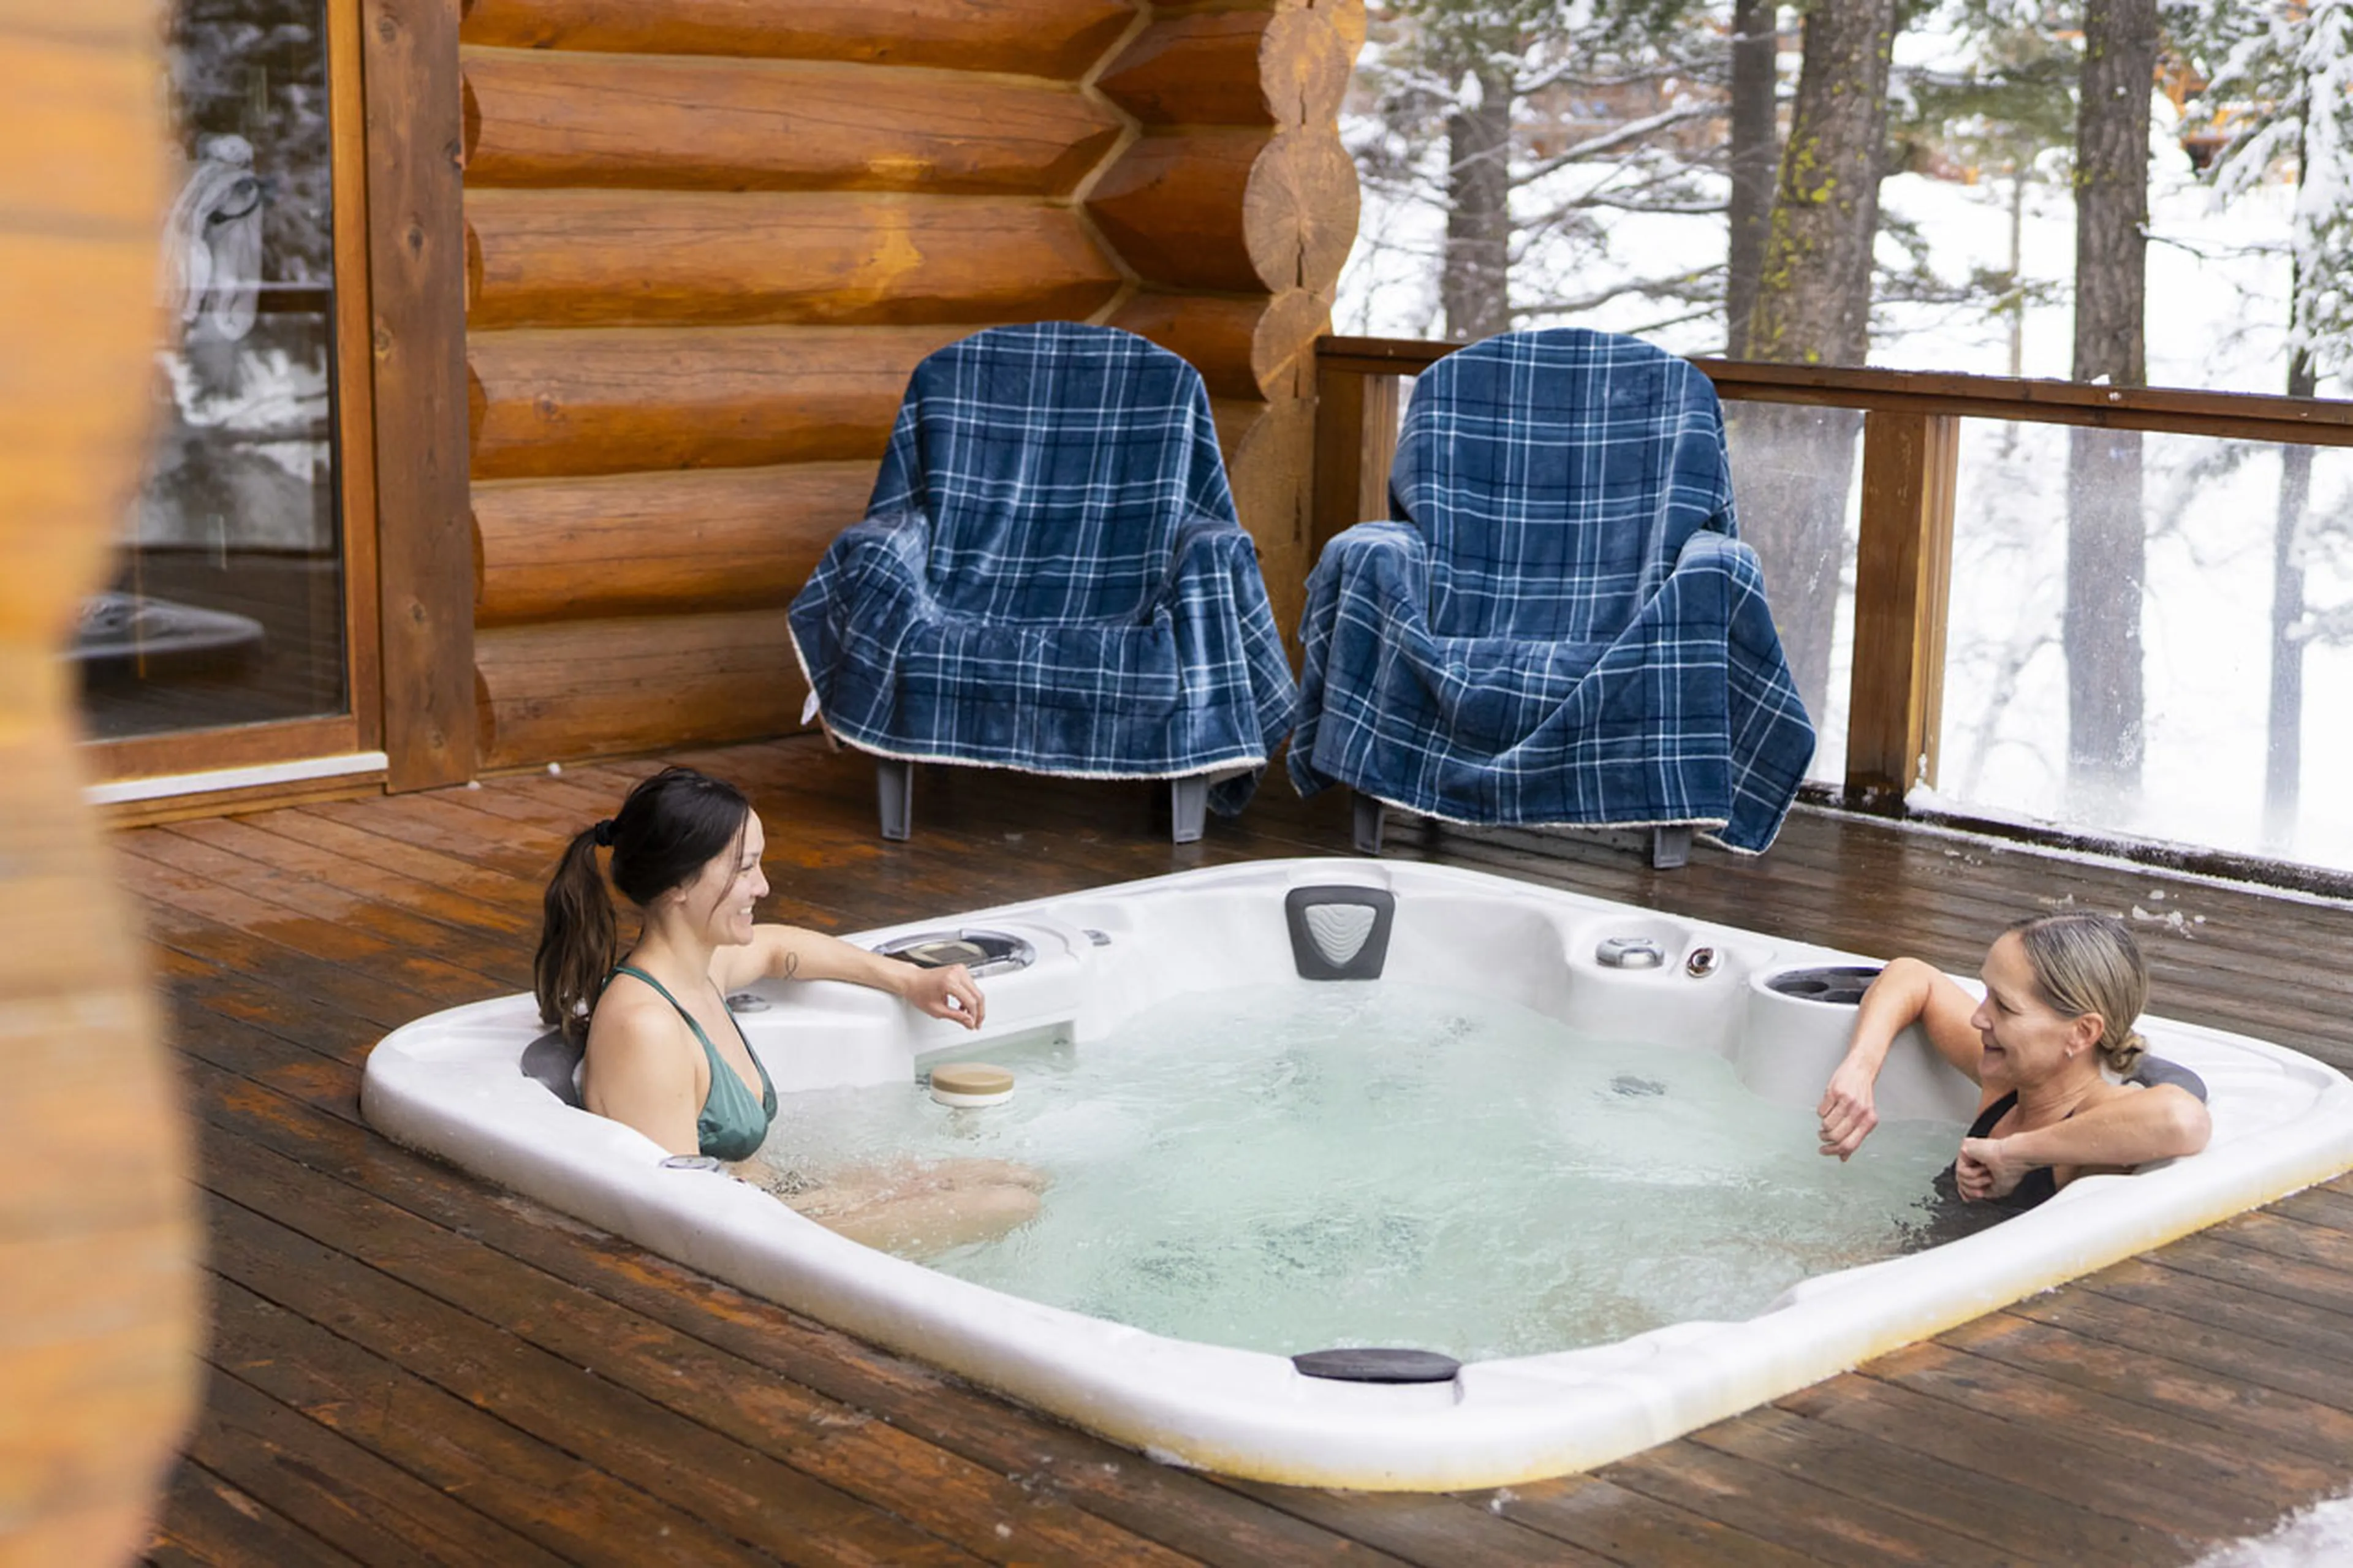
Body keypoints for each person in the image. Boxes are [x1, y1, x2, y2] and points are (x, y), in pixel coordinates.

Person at [535, 766, 1044, 1252]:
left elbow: (779, 949)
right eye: (744, 869)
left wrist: (910, 978)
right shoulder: (646, 1027)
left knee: (1016, 1174)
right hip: (754, 1236)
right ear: (679, 885)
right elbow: (686, 1218)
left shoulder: (698, 972)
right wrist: (841, 1201)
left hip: (777, 1197)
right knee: (1009, 1204)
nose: (764, 886)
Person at [1817, 912, 2211, 1213]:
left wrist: (2016, 1154)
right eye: (1986, 994)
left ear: (2082, 1033)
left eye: (2004, 1006)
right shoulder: (2010, 1084)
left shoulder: (2091, 1120)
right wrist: (1861, 1067)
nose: (1978, 1017)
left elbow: (2183, 1120)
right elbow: (1912, 975)